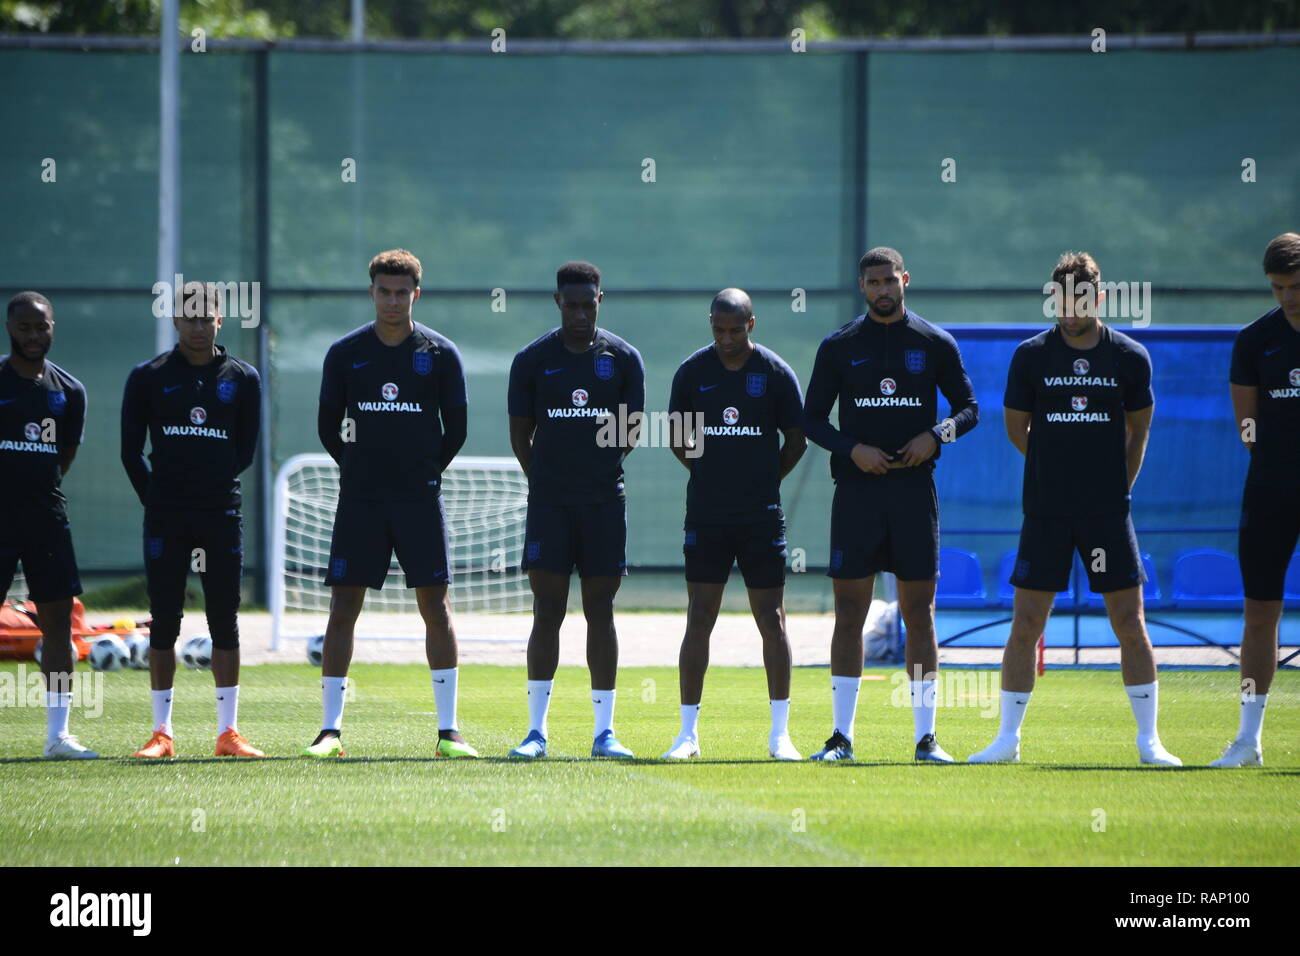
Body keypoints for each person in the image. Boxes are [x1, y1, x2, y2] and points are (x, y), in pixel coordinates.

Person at [968, 251, 1181, 766]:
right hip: (1046, 512)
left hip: (1107, 514)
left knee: (1129, 623)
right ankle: (1007, 742)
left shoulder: (1129, 356)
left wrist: (1112, 488)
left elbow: (1139, 431)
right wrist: (1053, 470)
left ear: (1099, 298)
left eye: (1080, 298)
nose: (1069, 308)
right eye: (1061, 298)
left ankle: (1150, 743)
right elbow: (1018, 429)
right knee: (1026, 624)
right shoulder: (1031, 356)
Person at [803, 248, 978, 762]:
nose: (882, 289)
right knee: (849, 613)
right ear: (862, 286)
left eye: (890, 281)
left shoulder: (934, 343)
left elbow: (969, 409)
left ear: (905, 280)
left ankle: (926, 740)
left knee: (919, 614)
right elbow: (811, 420)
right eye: (873, 282)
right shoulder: (839, 346)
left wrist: (936, 435)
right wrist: (851, 449)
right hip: (856, 495)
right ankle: (841, 738)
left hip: (912, 493)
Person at [305, 249, 477, 759]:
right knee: (343, 608)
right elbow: (327, 427)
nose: (393, 300)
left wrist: (421, 472)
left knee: (436, 607)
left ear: (416, 295)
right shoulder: (345, 353)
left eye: (403, 292)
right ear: (371, 292)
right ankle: (329, 730)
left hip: (418, 500)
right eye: (384, 290)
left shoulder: (441, 354)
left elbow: (457, 430)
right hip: (361, 500)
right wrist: (359, 468)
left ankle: (448, 732)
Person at [661, 289, 807, 761]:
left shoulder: (774, 373)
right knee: (699, 617)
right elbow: (678, 440)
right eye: (719, 329)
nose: (727, 338)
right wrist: (710, 476)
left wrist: (763, 480)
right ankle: (687, 735)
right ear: (711, 325)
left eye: (736, 329)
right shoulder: (692, 373)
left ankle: (780, 735)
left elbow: (797, 441)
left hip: (760, 517)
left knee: (773, 619)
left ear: (752, 324)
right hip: (706, 514)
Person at [506, 261, 645, 759]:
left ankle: (604, 733)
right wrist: (546, 478)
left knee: (600, 611)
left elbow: (629, 433)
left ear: (600, 301)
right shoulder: (532, 360)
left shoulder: (624, 359)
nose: (581, 313)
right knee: (547, 612)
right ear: (558, 302)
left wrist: (595, 471)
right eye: (573, 304)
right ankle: (536, 733)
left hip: (604, 502)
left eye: (590, 304)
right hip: (550, 504)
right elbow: (521, 434)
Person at [122, 283, 264, 758]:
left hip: (221, 514)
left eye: (208, 318)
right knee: (164, 621)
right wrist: (158, 499)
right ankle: (161, 733)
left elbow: (243, 450)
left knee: (225, 620)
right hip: (167, 518)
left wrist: (209, 488)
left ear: (220, 321)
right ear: (176, 321)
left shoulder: (243, 379)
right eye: (190, 318)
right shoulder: (148, 377)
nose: (199, 326)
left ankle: (229, 733)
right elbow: (130, 451)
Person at [1217, 232, 1300, 767]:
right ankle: (1248, 740)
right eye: (1277, 287)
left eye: (1294, 286)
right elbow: (1247, 424)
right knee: (1259, 614)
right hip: (1271, 490)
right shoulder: (1254, 341)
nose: (1287, 297)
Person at [1, 291, 96, 758]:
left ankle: (57, 736)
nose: (34, 336)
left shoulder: (70, 392)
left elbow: (63, 460)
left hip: (46, 518)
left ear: (53, 327)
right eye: (25, 328)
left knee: (58, 624)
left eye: (42, 327)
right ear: (9, 328)